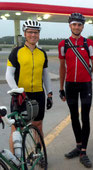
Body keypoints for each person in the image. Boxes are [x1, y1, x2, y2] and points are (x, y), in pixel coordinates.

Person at [58, 13, 93, 168]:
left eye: (80, 25)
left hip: (85, 86)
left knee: (85, 117)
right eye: (74, 24)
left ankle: (83, 151)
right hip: (70, 85)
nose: (77, 27)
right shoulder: (63, 44)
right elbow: (62, 68)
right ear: (70, 25)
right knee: (74, 117)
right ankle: (78, 146)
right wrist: (61, 88)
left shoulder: (88, 43)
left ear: (83, 26)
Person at [6, 19, 53, 149]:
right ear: (25, 33)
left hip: (38, 93)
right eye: (30, 32)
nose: (33, 35)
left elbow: (45, 75)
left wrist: (49, 94)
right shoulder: (16, 52)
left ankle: (39, 154)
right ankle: (15, 160)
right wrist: (16, 90)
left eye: (36, 32)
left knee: (38, 125)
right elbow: (9, 74)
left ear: (39, 34)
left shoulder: (42, 53)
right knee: (16, 128)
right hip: (20, 94)